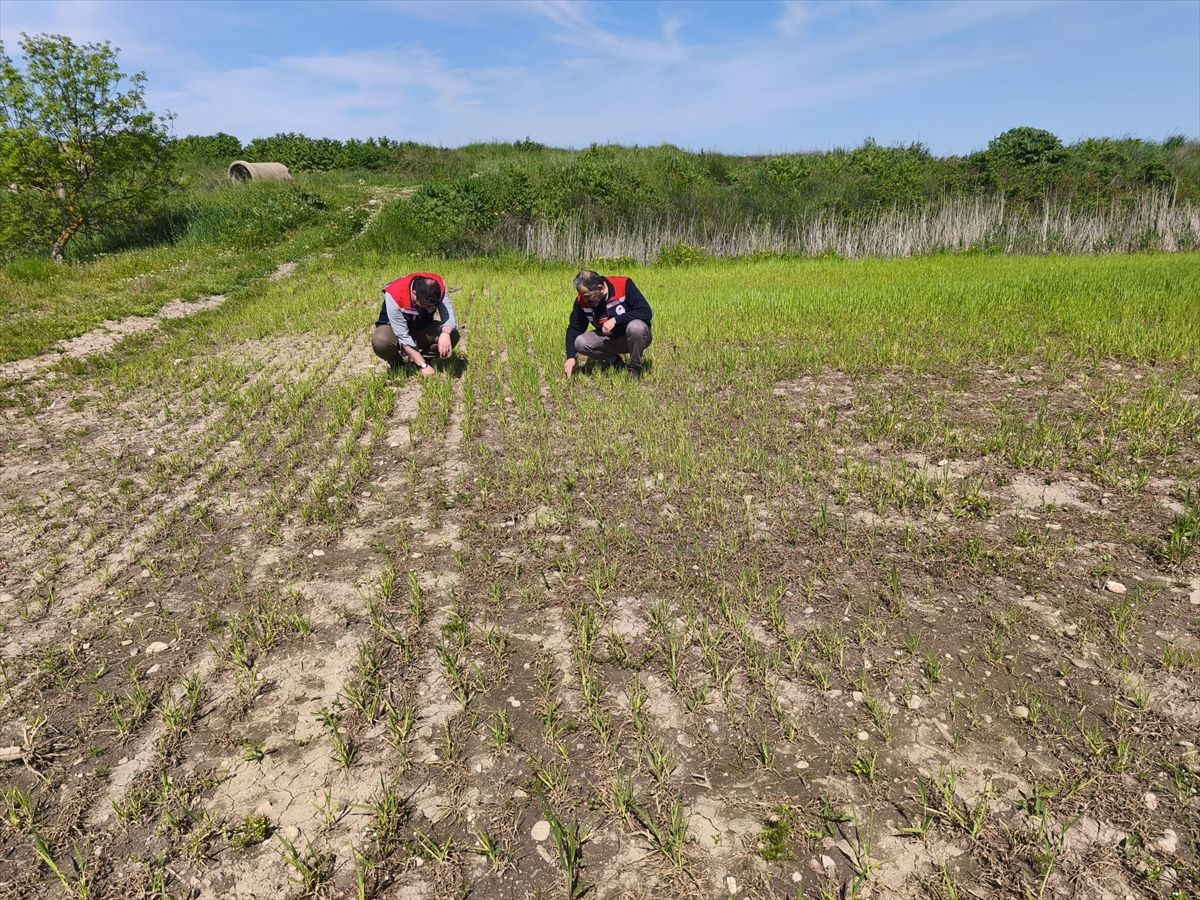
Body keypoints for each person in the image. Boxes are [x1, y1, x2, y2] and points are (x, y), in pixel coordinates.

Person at [563, 270, 653, 379]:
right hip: (609, 339)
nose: (585, 300)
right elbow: (574, 329)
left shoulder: (623, 284)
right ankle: (616, 362)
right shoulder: (582, 300)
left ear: (600, 288)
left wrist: (616, 320)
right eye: (582, 296)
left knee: (636, 327)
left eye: (587, 296)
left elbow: (645, 312)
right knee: (580, 342)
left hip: (635, 337)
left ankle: (634, 369)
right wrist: (571, 357)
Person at [370, 272, 459, 376]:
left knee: (453, 335)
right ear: (414, 294)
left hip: (420, 330)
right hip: (395, 333)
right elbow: (403, 335)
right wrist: (423, 365)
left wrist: (446, 333)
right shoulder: (394, 293)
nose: (429, 309)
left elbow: (449, 318)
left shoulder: (439, 287)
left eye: (432, 306)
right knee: (380, 340)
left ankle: (420, 362)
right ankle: (397, 364)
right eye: (425, 305)